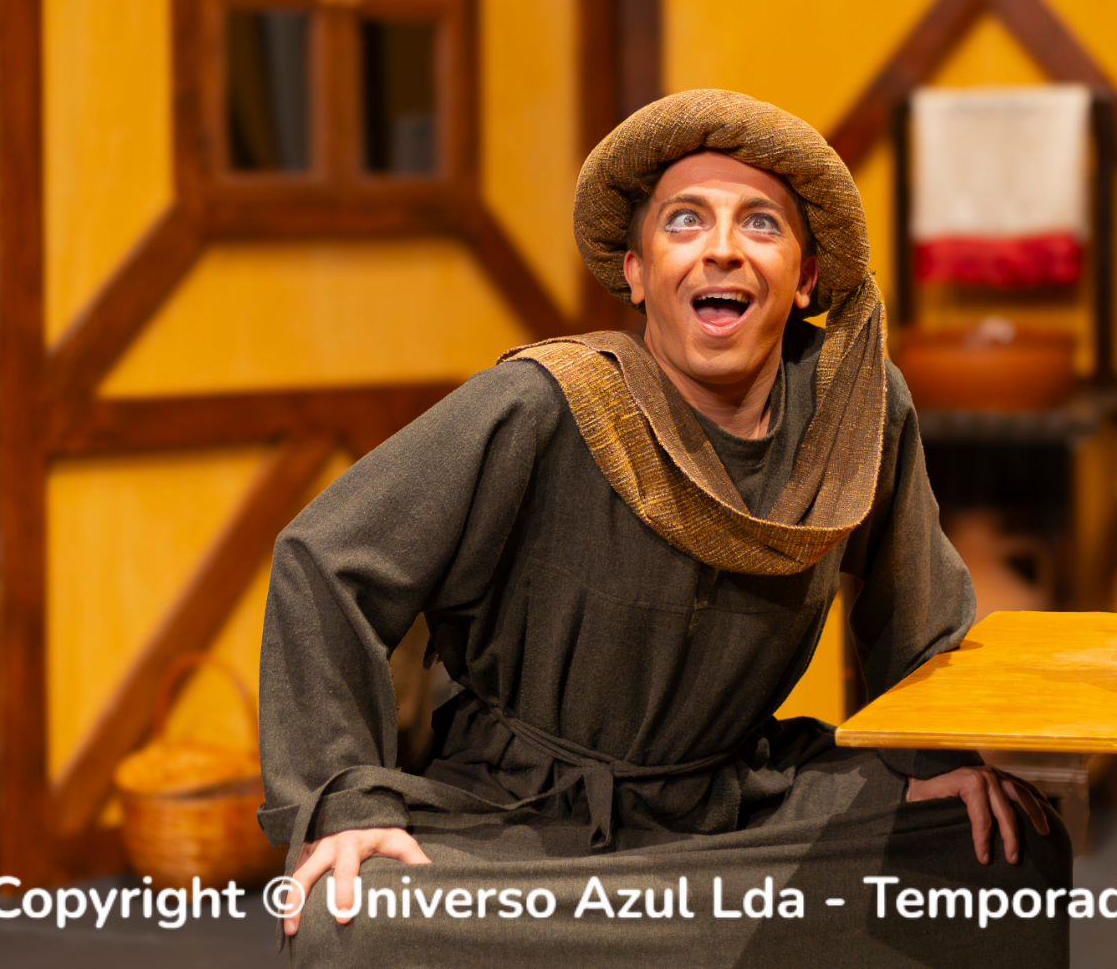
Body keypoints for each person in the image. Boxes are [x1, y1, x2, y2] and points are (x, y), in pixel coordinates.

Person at [257, 90, 1071, 966]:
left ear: (805, 280)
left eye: (760, 223)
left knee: (1003, 856)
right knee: (351, 922)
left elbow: (914, 607)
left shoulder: (851, 413)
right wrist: (345, 804)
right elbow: (326, 559)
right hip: (517, 820)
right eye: (686, 221)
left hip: (735, 803)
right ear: (637, 271)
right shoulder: (544, 403)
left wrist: (937, 759)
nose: (722, 247)